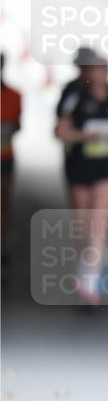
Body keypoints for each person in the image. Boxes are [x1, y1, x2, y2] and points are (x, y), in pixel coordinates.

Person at [54, 47, 108, 305]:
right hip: (79, 166)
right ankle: (86, 261)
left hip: (107, 169)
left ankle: (91, 280)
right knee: (82, 223)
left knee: (99, 222)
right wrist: (85, 136)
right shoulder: (73, 94)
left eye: (103, 69)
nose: (99, 74)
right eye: (93, 69)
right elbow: (59, 132)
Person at [1, 52, 22, 269]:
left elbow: (17, 125)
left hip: (5, 157)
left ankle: (3, 245)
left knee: (4, 203)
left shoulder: (13, 96)